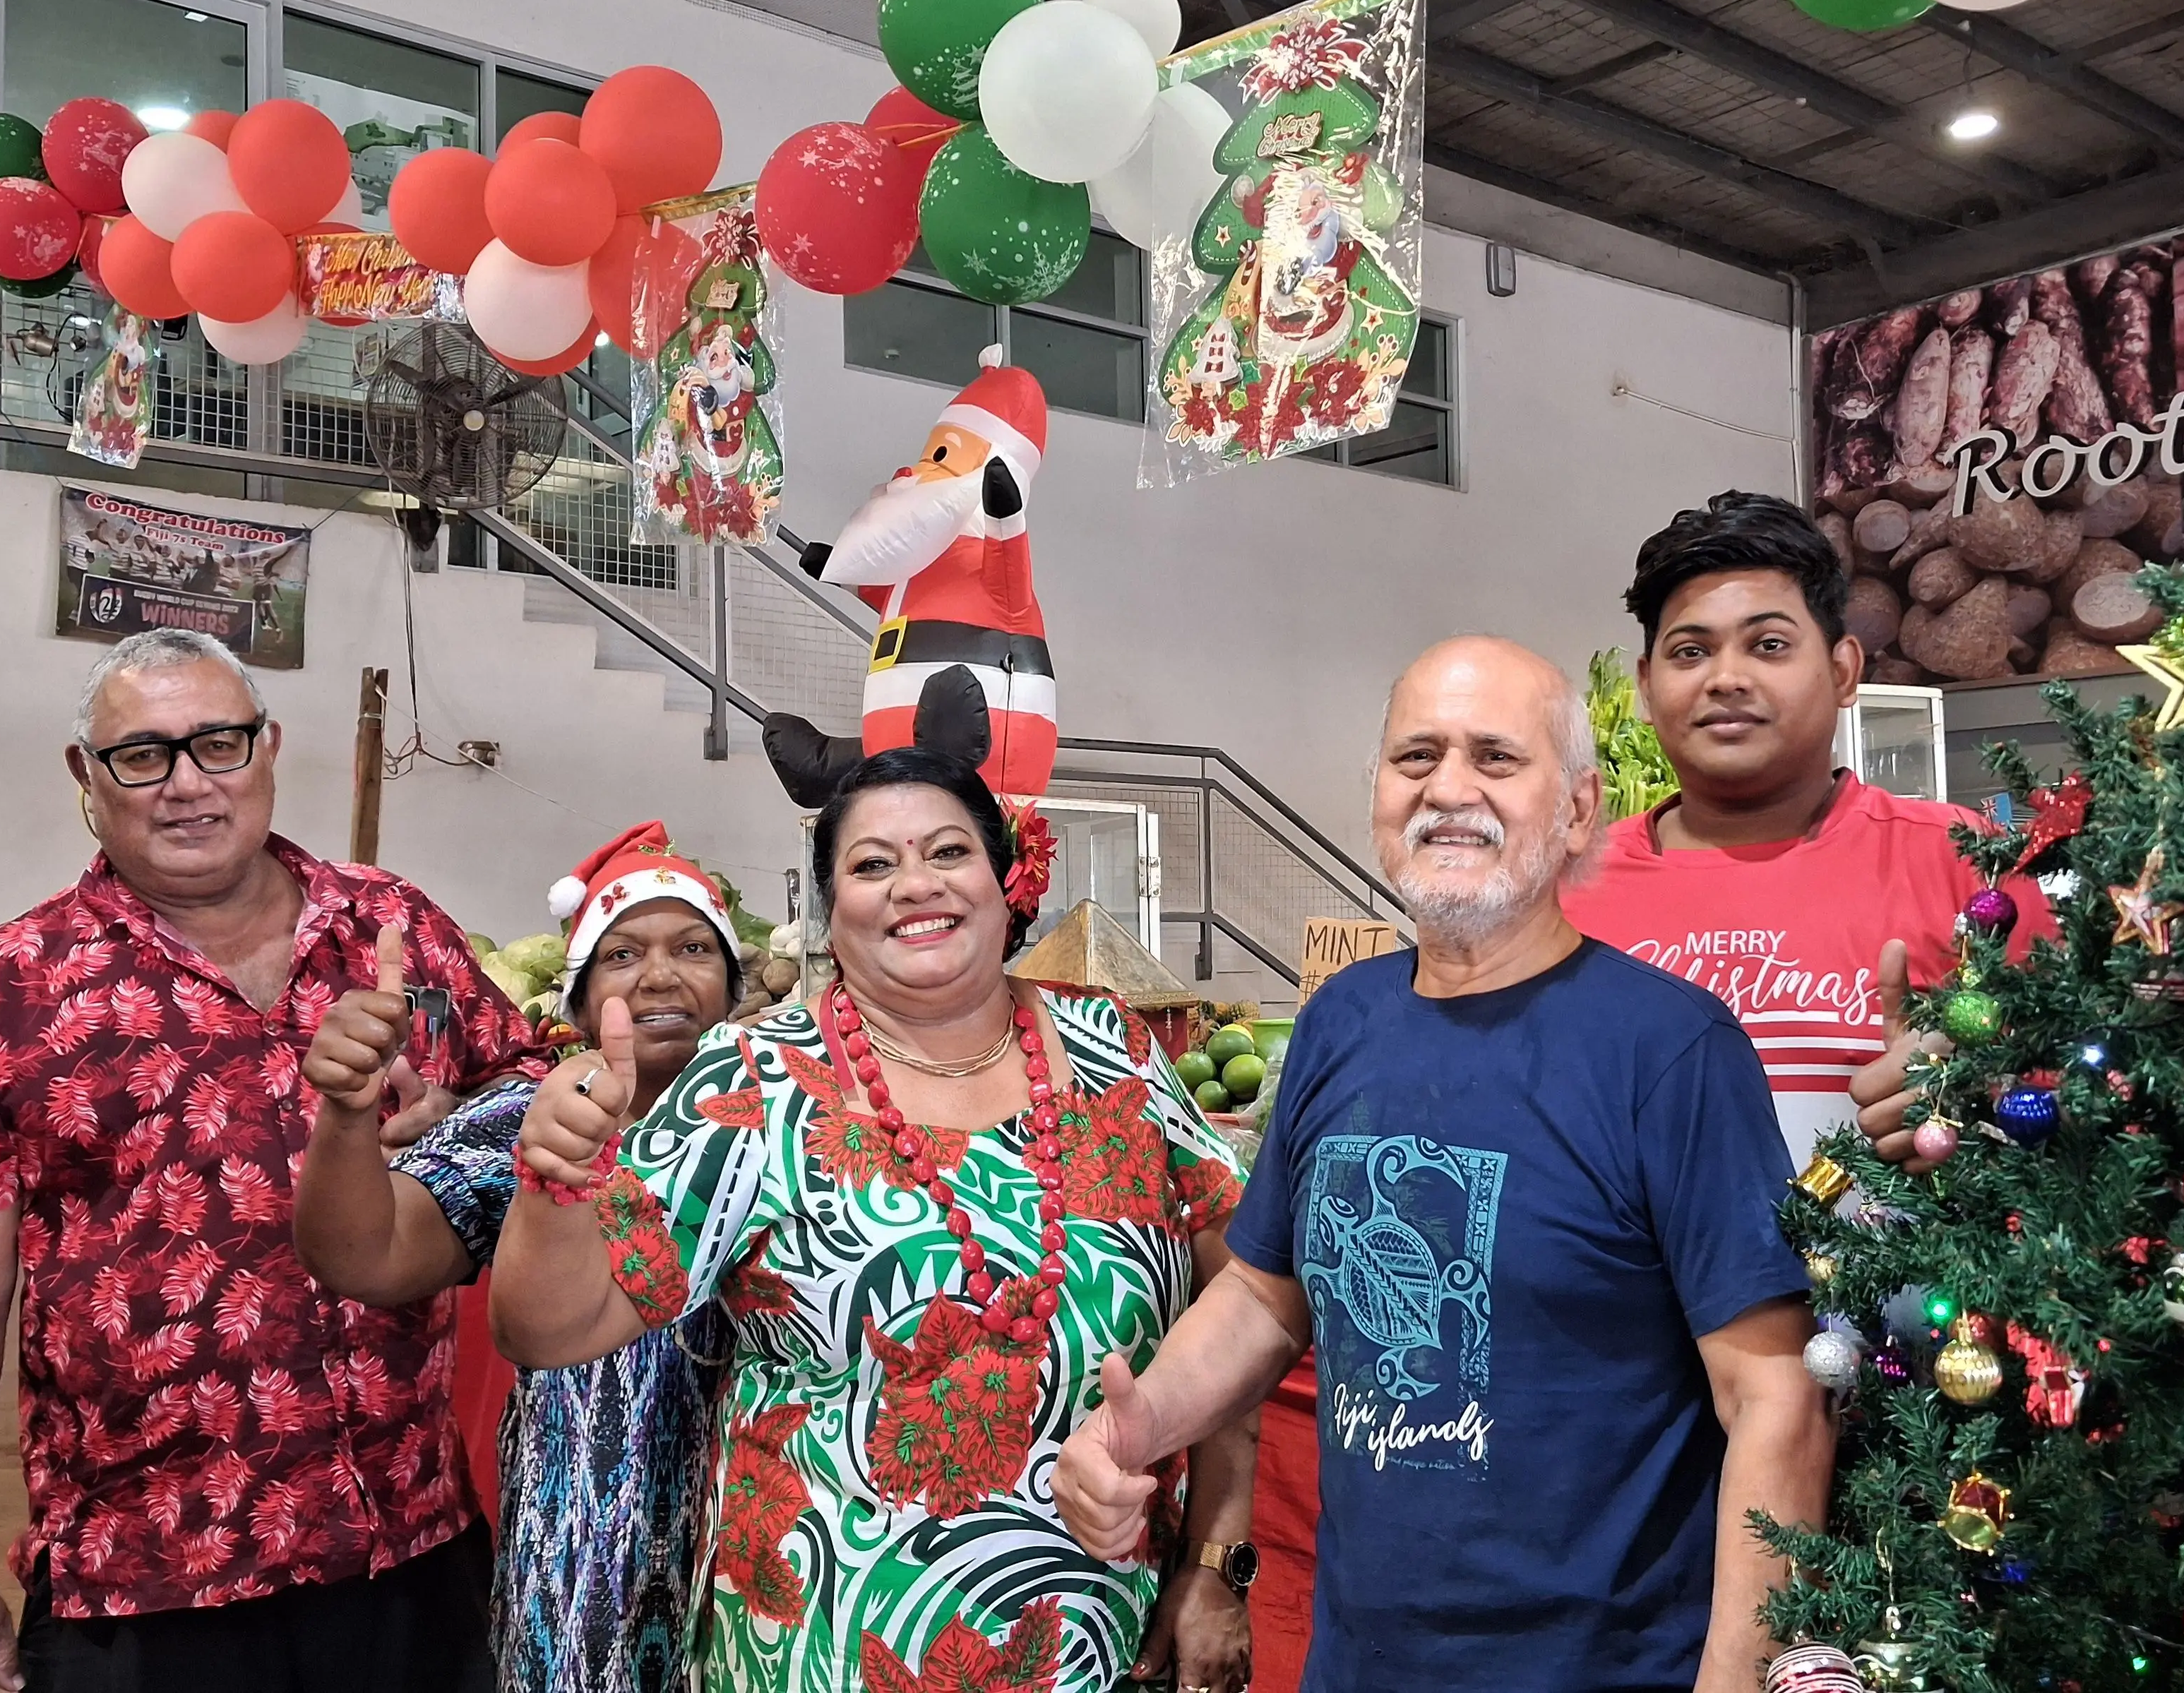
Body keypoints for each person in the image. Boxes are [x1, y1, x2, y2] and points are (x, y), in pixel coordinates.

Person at [1054, 637, 1834, 1693]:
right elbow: (1266, 1292)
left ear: (1577, 809)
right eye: (1415, 756)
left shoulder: (1669, 1049)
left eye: (1496, 758)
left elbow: (1774, 1395)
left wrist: (1740, 1680)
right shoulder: (1341, 1021)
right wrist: (1136, 1425)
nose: (1448, 788)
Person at [0, 626, 542, 1693]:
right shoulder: (3, 989)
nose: (186, 785)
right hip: (147, 1584)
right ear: (85, 775)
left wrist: (455, 1110)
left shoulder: (394, 928)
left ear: (269, 750)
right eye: (142, 755)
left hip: (407, 1549)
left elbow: (535, 1085)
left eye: (218, 745)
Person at [492, 748, 1257, 1693]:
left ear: (1003, 875)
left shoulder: (1117, 1052)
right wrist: (555, 1181)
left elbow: (1249, 1294)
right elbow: (549, 1325)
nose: (916, 884)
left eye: (948, 850)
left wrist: (1219, 1557)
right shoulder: (753, 1081)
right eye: (871, 864)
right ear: (830, 907)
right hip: (825, 1645)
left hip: (1106, 1643)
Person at [294, 822, 741, 1693]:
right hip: (579, 1571)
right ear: (575, 1006)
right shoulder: (516, 1122)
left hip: (752, 1557)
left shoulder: (785, 1126)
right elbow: (369, 1256)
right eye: (621, 955)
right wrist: (347, 1116)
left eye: (693, 948)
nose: (659, 975)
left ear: (731, 987)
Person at [1559, 491, 2057, 1168]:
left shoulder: (1970, 867)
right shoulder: (1568, 892)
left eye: (1769, 645)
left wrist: (1976, 1104)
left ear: (1843, 670)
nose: (1726, 678)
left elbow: (2094, 1103)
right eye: (1690, 652)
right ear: (1648, 689)